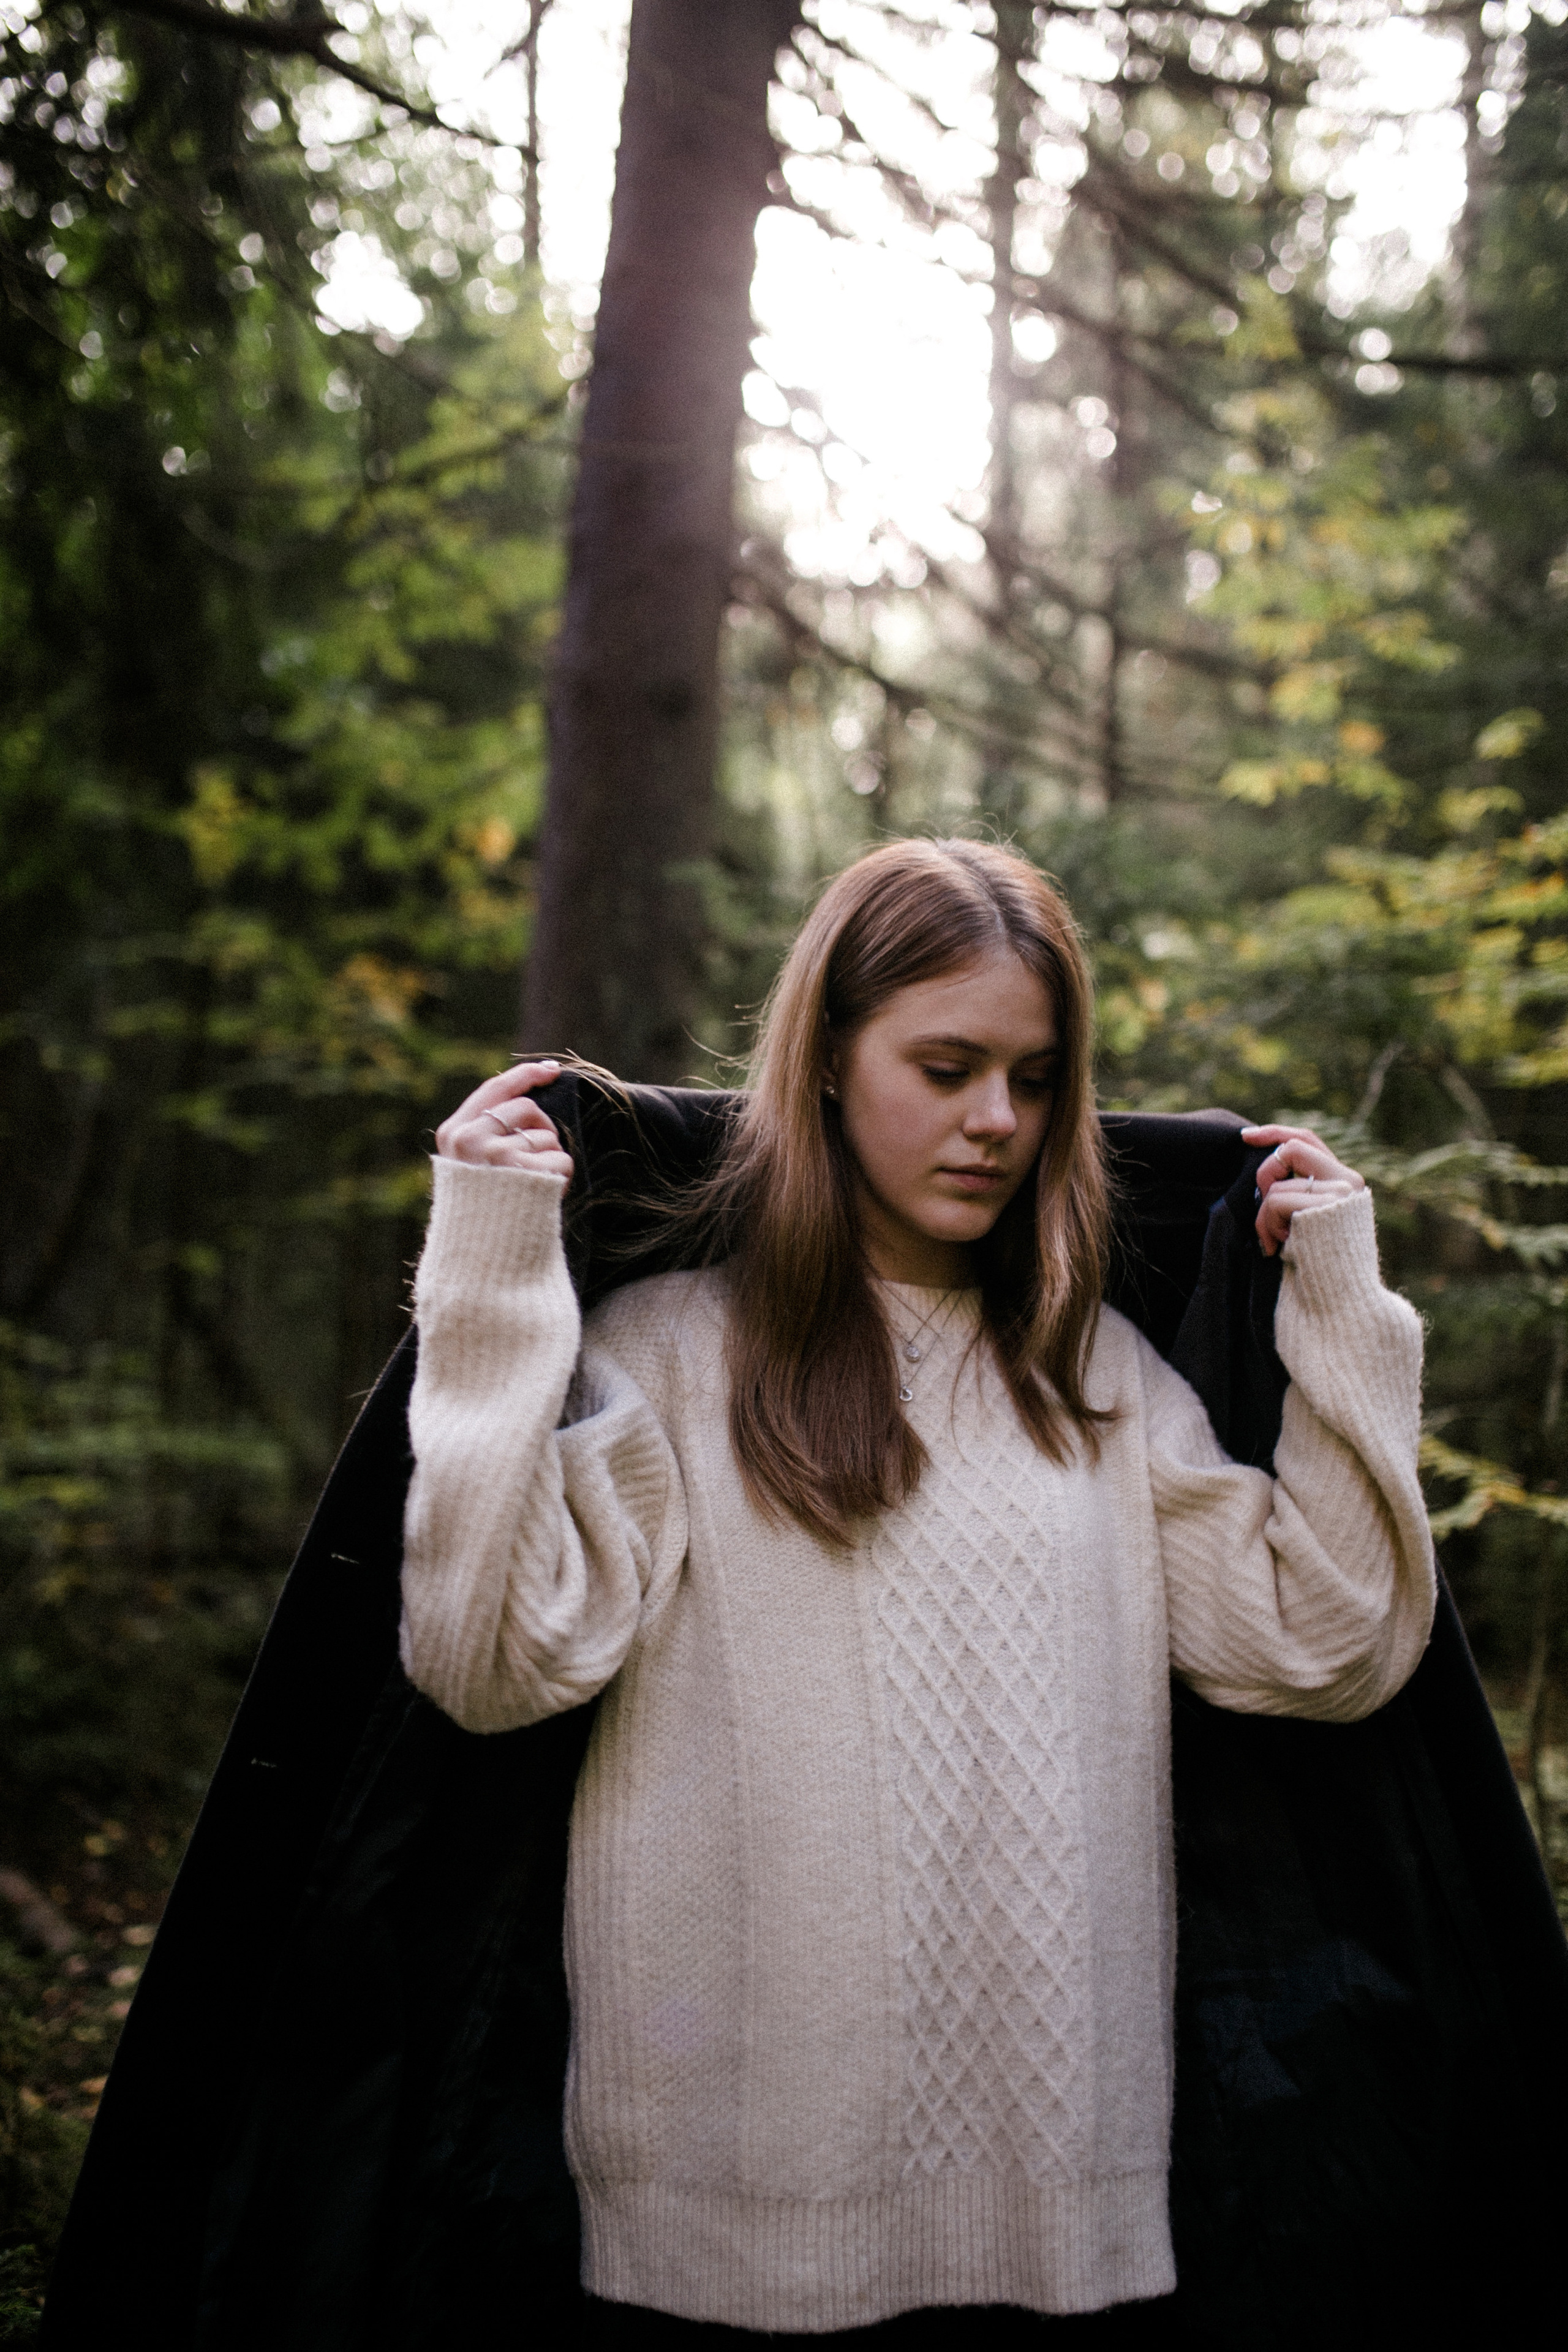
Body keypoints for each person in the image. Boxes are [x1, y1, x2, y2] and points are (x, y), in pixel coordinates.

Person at [399, 837, 1434, 2345]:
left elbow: (1331, 1643)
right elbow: (487, 1660)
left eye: (1033, 1079)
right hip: (726, 2228)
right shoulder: (667, 1354)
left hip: (1060, 2222)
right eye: (945, 1067)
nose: (994, 1121)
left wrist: (1339, 1304)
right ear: (826, 1059)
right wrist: (492, 1275)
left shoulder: (1094, 1378)